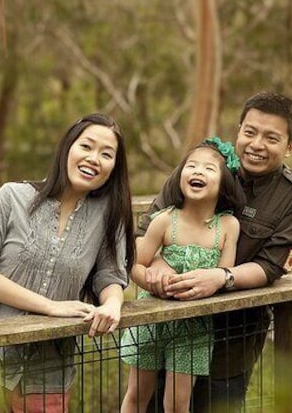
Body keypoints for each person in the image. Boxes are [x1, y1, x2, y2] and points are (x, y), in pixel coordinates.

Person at [138, 91, 292, 412]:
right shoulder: (202, 167)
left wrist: (221, 278)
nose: (257, 144)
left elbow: (273, 266)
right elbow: (146, 231)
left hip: (235, 332)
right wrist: (159, 264)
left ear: (289, 147)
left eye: (271, 138)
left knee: (218, 404)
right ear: (238, 131)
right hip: (169, 323)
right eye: (249, 132)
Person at [0, 113, 135, 412]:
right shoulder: (12, 197)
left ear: (113, 168)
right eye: (87, 146)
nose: (94, 158)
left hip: (51, 369)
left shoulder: (109, 215)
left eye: (106, 154)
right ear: (67, 148)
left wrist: (112, 305)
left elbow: (110, 275)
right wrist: (51, 307)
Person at [120, 137, 245, 413]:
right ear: (180, 176)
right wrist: (151, 281)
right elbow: (135, 264)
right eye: (191, 166)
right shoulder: (165, 220)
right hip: (151, 321)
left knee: (178, 404)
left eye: (209, 168)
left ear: (225, 183)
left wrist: (213, 282)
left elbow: (225, 274)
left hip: (195, 328)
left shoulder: (228, 226)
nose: (198, 171)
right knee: (137, 396)